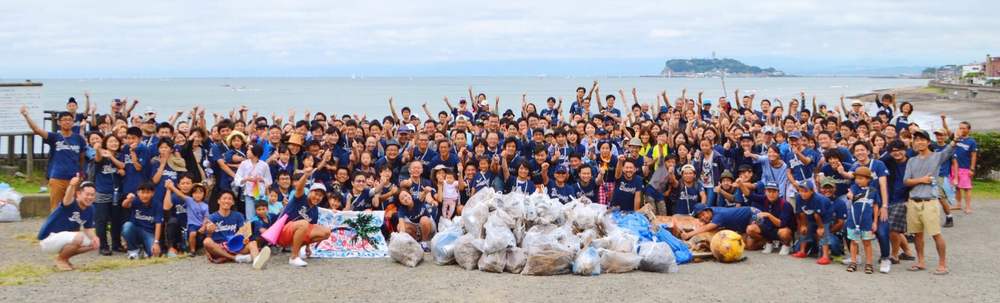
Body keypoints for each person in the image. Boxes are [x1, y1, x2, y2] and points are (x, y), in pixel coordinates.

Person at [903, 129, 954, 275]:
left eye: (922, 139)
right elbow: (906, 181)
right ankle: (920, 261)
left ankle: (942, 264)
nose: (919, 142)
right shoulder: (911, 161)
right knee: (918, 234)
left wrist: (955, 138)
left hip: (930, 201)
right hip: (913, 201)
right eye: (916, 139)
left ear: (928, 142)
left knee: (936, 233)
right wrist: (921, 180)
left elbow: (950, 148)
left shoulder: (937, 157)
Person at [21, 106, 85, 210]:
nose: (67, 122)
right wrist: (26, 115)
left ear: (73, 122)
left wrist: (81, 173)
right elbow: (36, 130)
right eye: (64, 120)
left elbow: (81, 158)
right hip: (57, 178)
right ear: (59, 123)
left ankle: (72, 227)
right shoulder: (54, 137)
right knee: (56, 208)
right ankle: (56, 226)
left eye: (69, 120)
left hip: (74, 179)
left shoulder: (79, 139)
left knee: (73, 208)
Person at [37, 177, 98, 271]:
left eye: (92, 195)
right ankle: (60, 259)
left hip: (65, 239)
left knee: (92, 243)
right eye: (87, 194)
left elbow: (88, 228)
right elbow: (67, 198)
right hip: (48, 239)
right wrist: (72, 185)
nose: (90, 197)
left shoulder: (91, 209)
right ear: (78, 194)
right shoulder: (71, 203)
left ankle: (65, 258)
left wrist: (95, 238)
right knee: (79, 236)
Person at [278, 168, 333, 267]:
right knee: (304, 223)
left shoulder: (315, 211)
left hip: (297, 233)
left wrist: (308, 247)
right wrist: (306, 176)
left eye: (320, 196)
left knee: (326, 232)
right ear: (310, 192)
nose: (317, 197)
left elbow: (310, 231)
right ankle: (293, 257)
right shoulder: (300, 198)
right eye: (316, 194)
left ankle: (298, 248)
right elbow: (299, 187)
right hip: (283, 231)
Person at [202, 191, 271, 269]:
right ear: (218, 201)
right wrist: (209, 231)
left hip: (235, 246)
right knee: (207, 241)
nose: (227, 201)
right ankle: (236, 258)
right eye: (224, 198)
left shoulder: (238, 215)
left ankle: (256, 261)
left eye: (229, 199)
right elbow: (208, 237)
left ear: (233, 202)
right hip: (219, 248)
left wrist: (245, 239)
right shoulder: (212, 217)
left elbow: (244, 232)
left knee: (253, 243)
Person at [846, 167, 879, 274]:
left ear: (868, 179)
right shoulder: (854, 187)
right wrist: (850, 195)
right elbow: (850, 194)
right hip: (853, 222)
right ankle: (853, 261)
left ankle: (869, 263)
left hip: (867, 222)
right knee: (854, 242)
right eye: (856, 178)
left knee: (867, 243)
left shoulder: (873, 191)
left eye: (861, 178)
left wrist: (875, 222)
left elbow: (875, 206)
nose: (858, 180)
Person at [122, 182, 163, 259]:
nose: (145, 195)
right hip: (135, 230)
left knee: (155, 254)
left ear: (153, 193)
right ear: (138, 193)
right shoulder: (136, 201)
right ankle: (133, 251)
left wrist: (156, 242)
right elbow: (124, 205)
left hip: (149, 233)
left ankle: (144, 250)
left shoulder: (157, 204)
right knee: (127, 226)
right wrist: (128, 199)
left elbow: (158, 224)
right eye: (142, 192)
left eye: (148, 192)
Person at [953, 121, 976, 214]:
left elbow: (974, 155)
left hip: (965, 168)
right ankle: (958, 205)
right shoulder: (957, 139)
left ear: (968, 130)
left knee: (967, 188)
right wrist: (956, 137)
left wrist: (972, 169)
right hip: (955, 167)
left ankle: (968, 207)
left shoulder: (971, 141)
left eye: (963, 128)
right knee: (957, 187)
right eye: (960, 128)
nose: (961, 130)